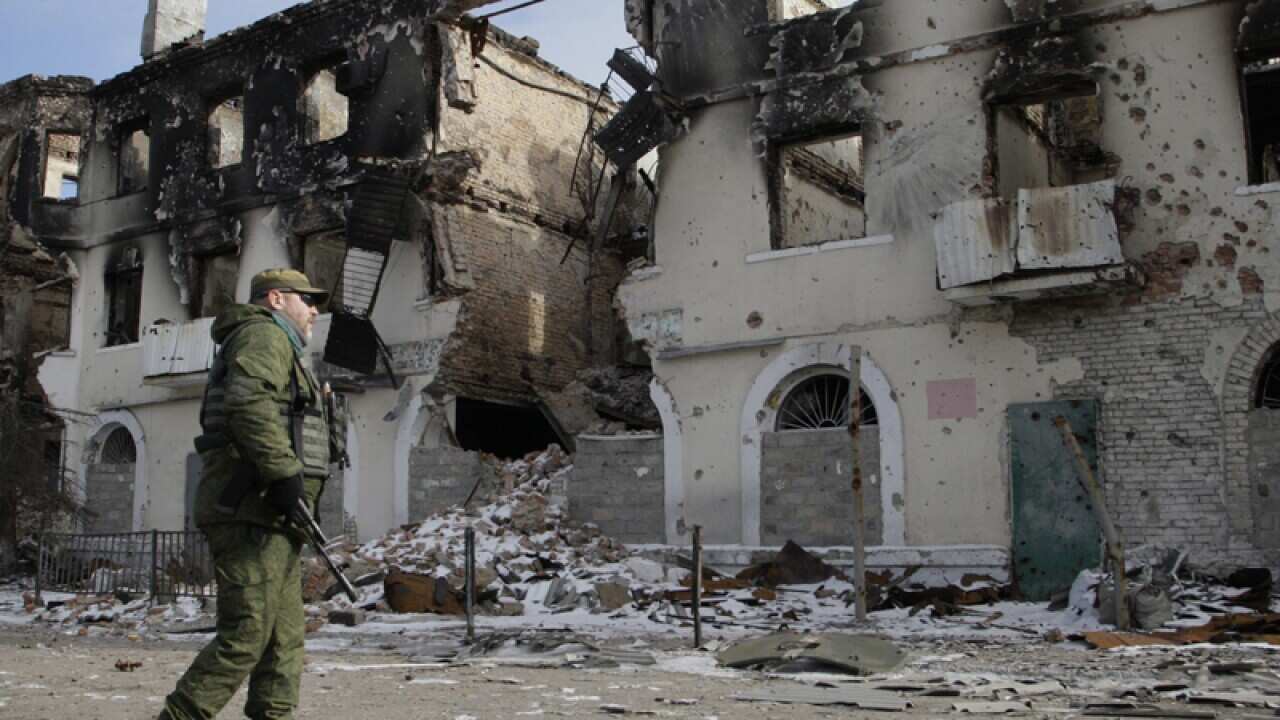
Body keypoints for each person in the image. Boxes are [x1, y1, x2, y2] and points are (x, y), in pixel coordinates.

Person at [159, 269, 333, 720]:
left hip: (273, 515)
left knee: (283, 640)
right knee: (247, 633)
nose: (315, 310)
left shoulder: (282, 347)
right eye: (307, 299)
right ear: (276, 299)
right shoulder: (263, 335)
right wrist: (283, 474)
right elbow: (249, 403)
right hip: (249, 508)